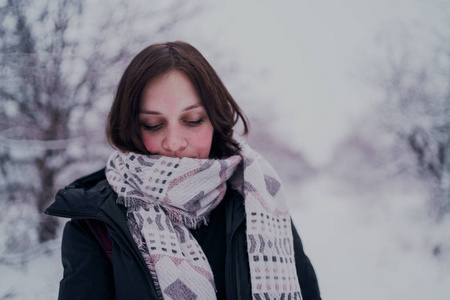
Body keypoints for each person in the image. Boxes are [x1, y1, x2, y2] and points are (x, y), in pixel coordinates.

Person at [45, 41, 321, 300]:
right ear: (131, 127)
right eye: (153, 124)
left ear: (215, 120)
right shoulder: (94, 225)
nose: (175, 143)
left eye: (192, 120)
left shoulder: (260, 201)